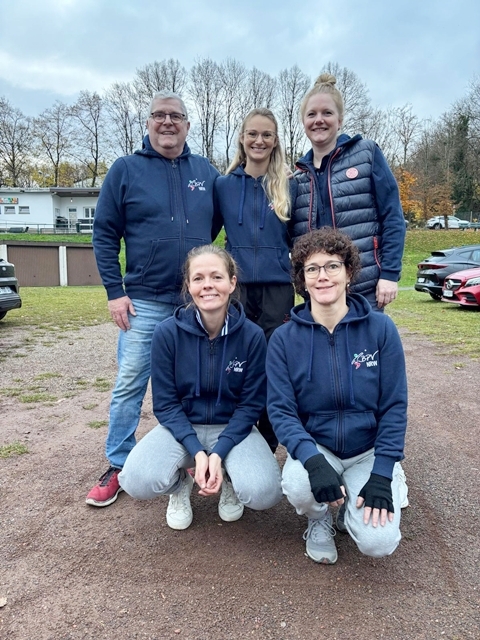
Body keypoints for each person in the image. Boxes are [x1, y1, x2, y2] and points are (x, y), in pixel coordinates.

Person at [86, 91, 221, 507]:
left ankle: (192, 459)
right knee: (131, 381)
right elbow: (104, 234)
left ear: (187, 124)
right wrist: (115, 292)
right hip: (143, 301)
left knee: (196, 382)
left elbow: (214, 224)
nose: (167, 122)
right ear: (148, 122)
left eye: (176, 116)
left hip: (194, 303)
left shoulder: (206, 172)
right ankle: (119, 462)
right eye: (159, 115)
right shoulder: (126, 170)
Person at [266, 228, 408, 564]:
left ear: (349, 273)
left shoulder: (380, 329)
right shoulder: (284, 339)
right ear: (302, 280)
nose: (323, 276)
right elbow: (281, 411)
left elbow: (394, 406)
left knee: (378, 543)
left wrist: (382, 472)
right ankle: (319, 519)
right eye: (312, 269)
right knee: (299, 486)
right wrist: (312, 460)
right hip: (319, 447)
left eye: (332, 266)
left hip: (367, 451)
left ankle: (382, 484)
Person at [118, 245, 283, 528]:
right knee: (136, 480)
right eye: (198, 278)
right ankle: (180, 484)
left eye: (217, 277)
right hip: (182, 427)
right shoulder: (166, 333)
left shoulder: (253, 336)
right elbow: (166, 404)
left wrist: (219, 453)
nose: (208, 285)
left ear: (232, 283)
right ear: (188, 285)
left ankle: (229, 477)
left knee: (264, 493)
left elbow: (251, 405)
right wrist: (196, 451)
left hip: (233, 428)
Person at [290, 73, 406, 311]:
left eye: (327, 113)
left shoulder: (367, 154)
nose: (319, 120)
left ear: (340, 120)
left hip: (365, 289)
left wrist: (390, 273)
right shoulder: (297, 177)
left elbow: (392, 217)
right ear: (303, 122)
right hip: (318, 293)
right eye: (311, 114)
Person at [214, 108, 293, 451]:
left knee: (275, 366)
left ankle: (268, 446)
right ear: (242, 139)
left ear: (275, 142)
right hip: (238, 289)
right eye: (253, 134)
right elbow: (207, 237)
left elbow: (300, 238)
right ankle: (240, 443)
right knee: (240, 363)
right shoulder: (223, 186)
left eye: (266, 135)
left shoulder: (289, 185)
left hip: (278, 289)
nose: (259, 140)